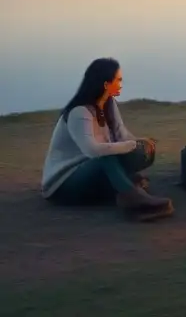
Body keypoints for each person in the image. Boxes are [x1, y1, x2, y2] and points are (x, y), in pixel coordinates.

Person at [41, 58, 174, 221]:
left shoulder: (109, 104)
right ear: (105, 84)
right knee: (106, 154)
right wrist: (130, 145)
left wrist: (141, 143)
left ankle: (125, 189)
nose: (121, 84)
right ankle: (132, 197)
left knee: (140, 152)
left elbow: (121, 135)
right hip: (63, 185)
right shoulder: (79, 112)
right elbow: (92, 150)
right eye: (118, 80)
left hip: (93, 172)